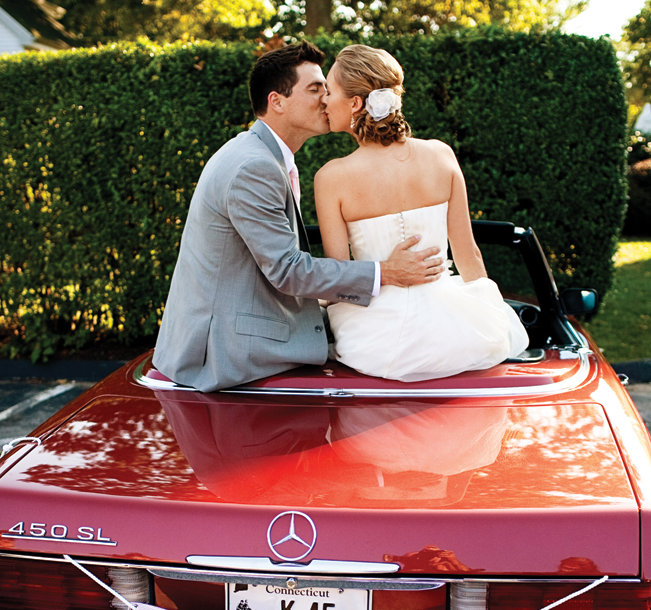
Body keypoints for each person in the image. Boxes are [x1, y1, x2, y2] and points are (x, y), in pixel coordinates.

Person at [153, 41, 444, 392]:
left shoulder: (263, 156)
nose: (325, 99)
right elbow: (287, 270)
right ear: (277, 101)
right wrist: (387, 272)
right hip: (226, 358)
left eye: (326, 88)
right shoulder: (255, 167)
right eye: (314, 89)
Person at [315, 45, 529, 382]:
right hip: (457, 335)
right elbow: (468, 254)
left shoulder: (331, 178)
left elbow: (342, 280)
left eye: (329, 91)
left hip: (376, 343)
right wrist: (489, 315)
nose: (324, 100)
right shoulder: (441, 155)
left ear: (355, 103)